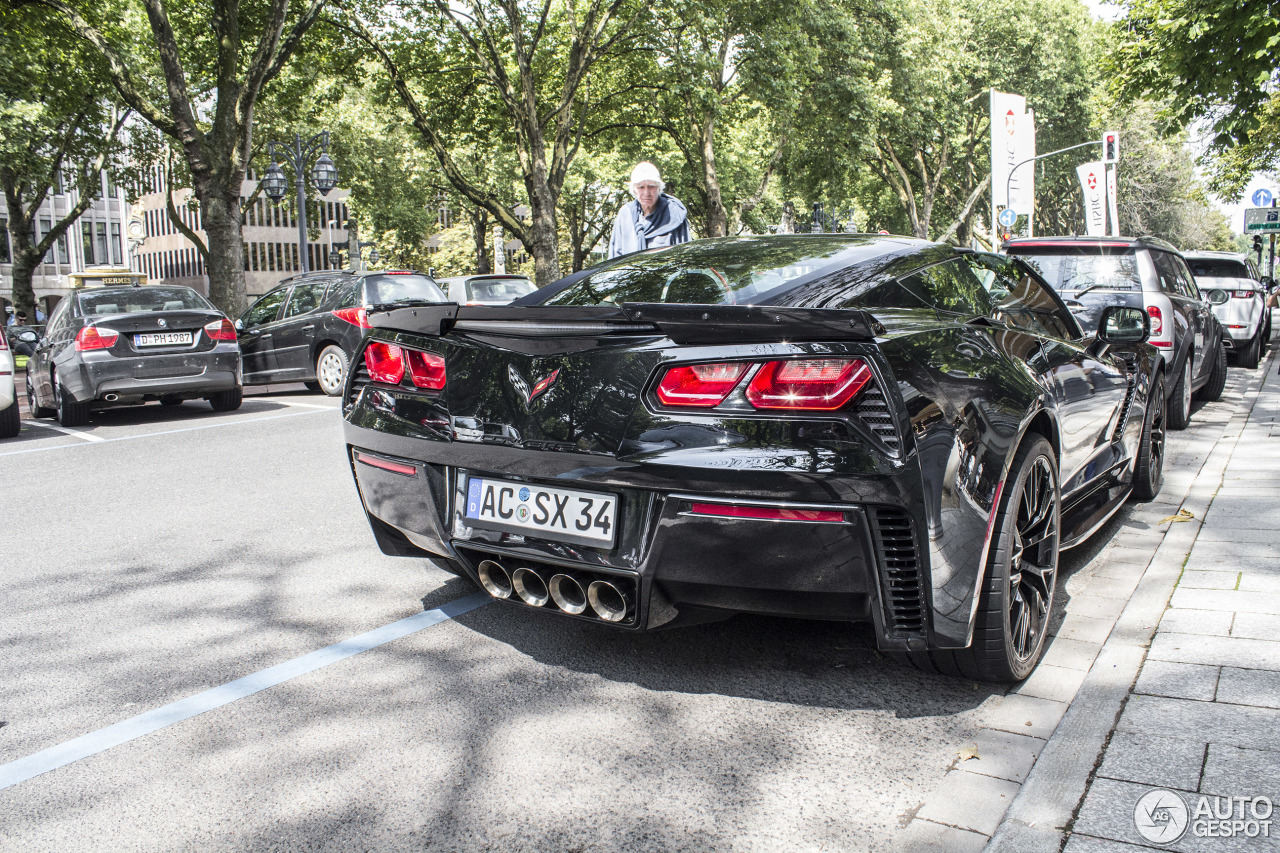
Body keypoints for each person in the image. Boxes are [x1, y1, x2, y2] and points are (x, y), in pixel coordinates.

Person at [607, 162, 690, 259]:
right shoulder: (625, 214)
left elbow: (685, 257)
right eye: (641, 187)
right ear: (634, 190)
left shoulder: (674, 214)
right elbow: (615, 258)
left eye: (651, 186)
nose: (646, 193)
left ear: (659, 188)